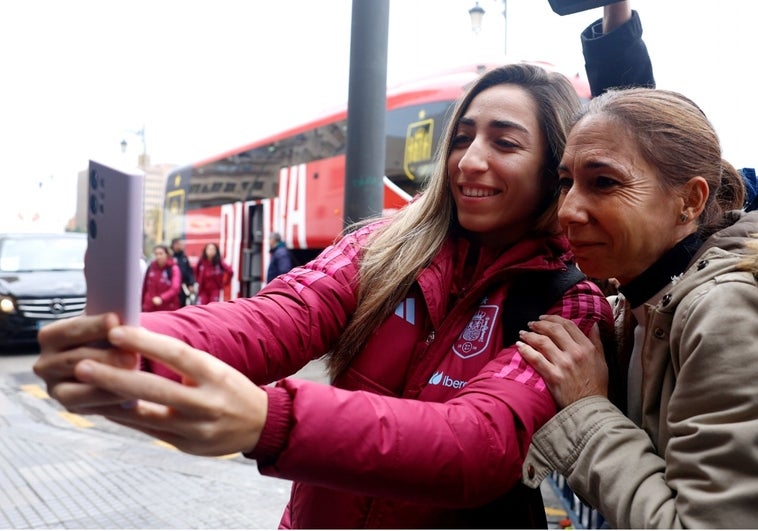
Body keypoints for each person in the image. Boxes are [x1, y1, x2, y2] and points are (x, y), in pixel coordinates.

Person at [34, 63, 614, 529]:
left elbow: (478, 444)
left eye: (505, 143)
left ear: (553, 169)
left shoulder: (572, 305)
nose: (471, 160)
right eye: (461, 138)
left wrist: (271, 421)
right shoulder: (379, 246)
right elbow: (277, 317)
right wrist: (133, 343)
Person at [516, 87, 758, 528]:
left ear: (690, 200)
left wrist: (586, 408)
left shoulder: (722, 309)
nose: (567, 210)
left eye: (603, 182)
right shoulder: (639, 300)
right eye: (565, 182)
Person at [141, 244, 182, 312]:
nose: (158, 256)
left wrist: (162, 298)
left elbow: (175, 288)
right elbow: (145, 287)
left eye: (161, 254)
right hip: (150, 307)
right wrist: (143, 303)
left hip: (168, 307)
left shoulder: (173, 268)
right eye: (156, 254)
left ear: (167, 254)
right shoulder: (151, 267)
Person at [170, 238, 196, 307]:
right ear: (174, 245)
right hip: (172, 286)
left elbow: (189, 271)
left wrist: (191, 284)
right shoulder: (170, 257)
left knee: (182, 304)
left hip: (183, 287)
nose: (182, 246)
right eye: (180, 244)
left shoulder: (184, 257)